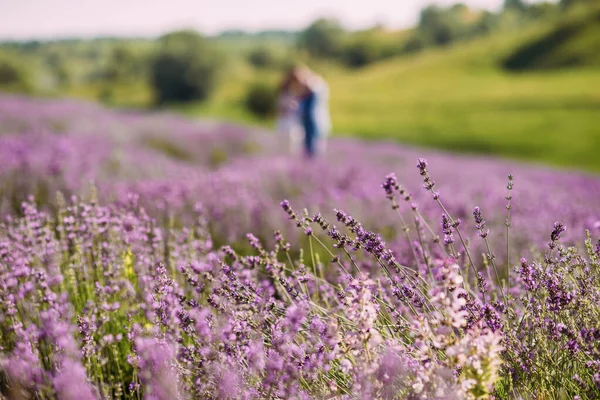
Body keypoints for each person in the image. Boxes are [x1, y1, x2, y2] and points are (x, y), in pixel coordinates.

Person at [291, 67, 331, 158]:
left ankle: (313, 161)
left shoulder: (316, 85)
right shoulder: (308, 91)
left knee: (314, 143)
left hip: (314, 119)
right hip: (308, 119)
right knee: (308, 143)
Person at [276, 71, 303, 154]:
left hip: (294, 122)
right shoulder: (284, 92)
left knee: (293, 145)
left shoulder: (301, 92)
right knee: (282, 145)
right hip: (285, 121)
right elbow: (279, 108)